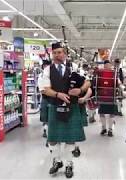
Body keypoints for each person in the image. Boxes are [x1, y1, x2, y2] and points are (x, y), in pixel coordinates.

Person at [39, 42, 90, 178]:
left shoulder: (74, 67)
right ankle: (57, 161)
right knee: (52, 140)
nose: (57, 55)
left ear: (65, 54)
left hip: (71, 107)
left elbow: (87, 82)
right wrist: (58, 94)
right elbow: (45, 89)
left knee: (70, 139)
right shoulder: (47, 70)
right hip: (55, 106)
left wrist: (80, 89)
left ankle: (69, 164)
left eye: (59, 52)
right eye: (54, 53)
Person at [98, 60, 118, 137]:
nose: (107, 66)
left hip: (108, 95)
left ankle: (109, 129)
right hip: (105, 95)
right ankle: (104, 128)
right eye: (106, 65)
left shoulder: (113, 73)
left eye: (108, 65)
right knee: (103, 112)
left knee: (110, 113)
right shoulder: (112, 73)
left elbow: (117, 83)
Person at [38, 60, 51, 148]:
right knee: (47, 120)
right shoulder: (41, 76)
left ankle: (49, 137)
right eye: (45, 66)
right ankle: (48, 137)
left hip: (54, 99)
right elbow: (42, 90)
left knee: (52, 120)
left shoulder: (54, 75)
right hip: (46, 99)